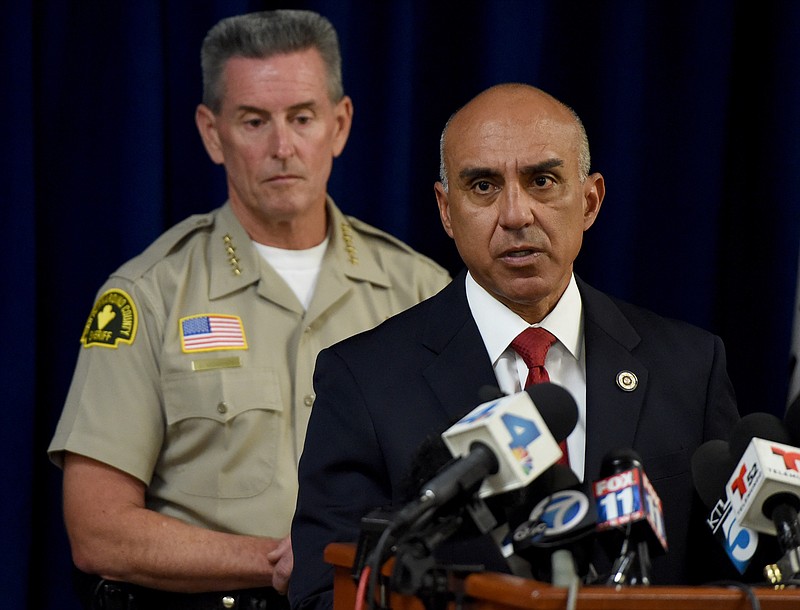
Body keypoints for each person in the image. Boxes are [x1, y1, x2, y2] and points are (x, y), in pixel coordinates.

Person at [47, 10, 450, 610]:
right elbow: (97, 530)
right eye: (254, 120)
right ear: (213, 133)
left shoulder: (420, 289)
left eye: (303, 118)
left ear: (339, 126)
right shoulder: (148, 293)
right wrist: (279, 558)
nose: (282, 146)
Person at [290, 83, 741, 610]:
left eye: (543, 181)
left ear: (590, 200)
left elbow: (736, 579)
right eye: (482, 186)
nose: (516, 214)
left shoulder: (689, 367)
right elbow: (326, 593)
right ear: (446, 210)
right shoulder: (364, 380)